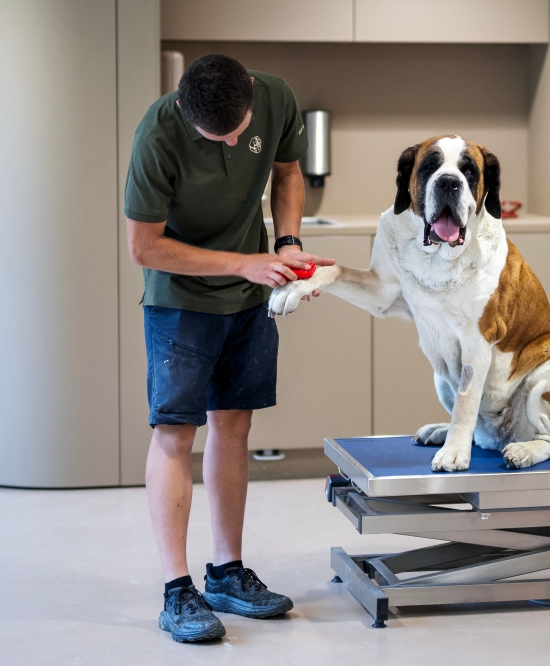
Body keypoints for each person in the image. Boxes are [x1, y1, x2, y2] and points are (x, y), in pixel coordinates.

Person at [124, 54, 333, 643]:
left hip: (250, 293)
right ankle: (176, 590)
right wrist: (244, 262)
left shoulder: (274, 95)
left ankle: (227, 573)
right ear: (186, 116)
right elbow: (145, 248)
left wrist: (288, 241)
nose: (238, 140)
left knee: (234, 424)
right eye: (222, 137)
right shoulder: (157, 134)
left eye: (242, 128)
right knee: (175, 433)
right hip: (180, 302)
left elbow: (288, 171)